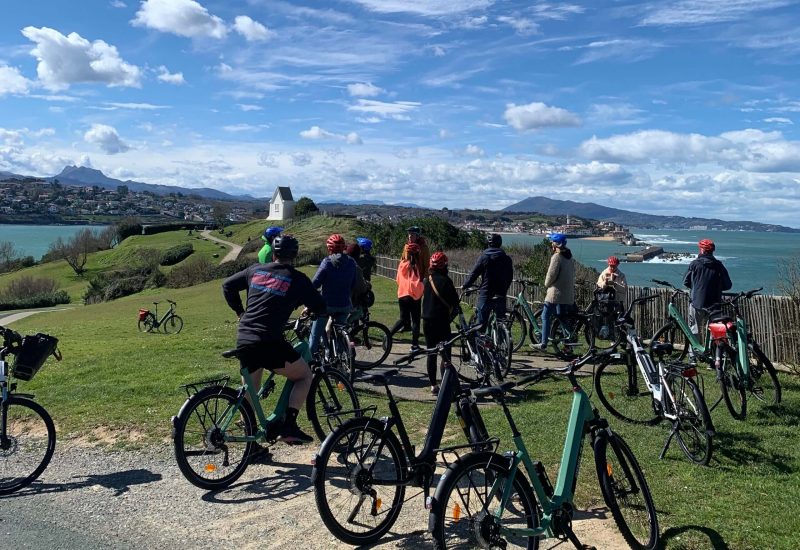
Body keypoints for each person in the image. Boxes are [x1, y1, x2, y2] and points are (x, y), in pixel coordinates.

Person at [222, 234, 325, 446]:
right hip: (268, 340)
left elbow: (227, 285)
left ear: (273, 252)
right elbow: (320, 306)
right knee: (305, 375)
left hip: (245, 337)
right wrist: (309, 308)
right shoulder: (298, 279)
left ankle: (252, 447)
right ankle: (288, 426)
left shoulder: (255, 270)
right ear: (294, 255)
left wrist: (240, 312)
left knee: (251, 394)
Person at [683, 238, 732, 364]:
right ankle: (714, 358)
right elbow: (728, 285)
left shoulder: (694, 264)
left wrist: (697, 287)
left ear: (701, 250)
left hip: (697, 302)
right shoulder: (719, 265)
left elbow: (686, 282)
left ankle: (692, 357)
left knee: (694, 329)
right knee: (715, 332)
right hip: (715, 304)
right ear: (712, 251)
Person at [310, 234, 358, 357]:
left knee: (314, 337)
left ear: (329, 249)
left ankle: (308, 367)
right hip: (344, 305)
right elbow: (353, 284)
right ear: (343, 248)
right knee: (340, 333)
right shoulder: (352, 262)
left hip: (327, 305)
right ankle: (341, 360)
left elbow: (315, 284)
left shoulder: (327, 262)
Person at [422, 251, 460, 394]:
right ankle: (445, 382)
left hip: (427, 320)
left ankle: (433, 385)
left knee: (431, 353)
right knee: (445, 354)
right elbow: (455, 302)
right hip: (442, 321)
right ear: (444, 266)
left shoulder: (427, 280)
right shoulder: (446, 281)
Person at [461, 233, 513, 327]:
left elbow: (474, 273)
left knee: (481, 324)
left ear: (488, 244)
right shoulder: (507, 258)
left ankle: (481, 340)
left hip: (486, 293)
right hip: (500, 294)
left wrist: (465, 285)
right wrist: (504, 289)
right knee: (501, 322)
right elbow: (510, 277)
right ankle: (503, 339)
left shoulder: (484, 257)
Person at [539, 232, 575, 351]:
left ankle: (543, 343)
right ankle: (568, 344)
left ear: (556, 244)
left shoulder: (556, 257)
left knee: (545, 316)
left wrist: (546, 284)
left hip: (555, 294)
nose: (551, 244)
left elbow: (551, 275)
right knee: (562, 318)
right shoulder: (569, 256)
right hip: (567, 294)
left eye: (552, 242)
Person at [389, 242, 424, 350]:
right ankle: (414, 345)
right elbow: (417, 283)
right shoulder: (417, 266)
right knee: (415, 320)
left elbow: (398, 279)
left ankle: (388, 335)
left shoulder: (402, 264)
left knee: (403, 319)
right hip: (414, 296)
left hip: (403, 295)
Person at [344, 242, 372, 323]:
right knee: (360, 309)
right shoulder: (367, 259)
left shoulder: (348, 263)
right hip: (358, 287)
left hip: (355, 286)